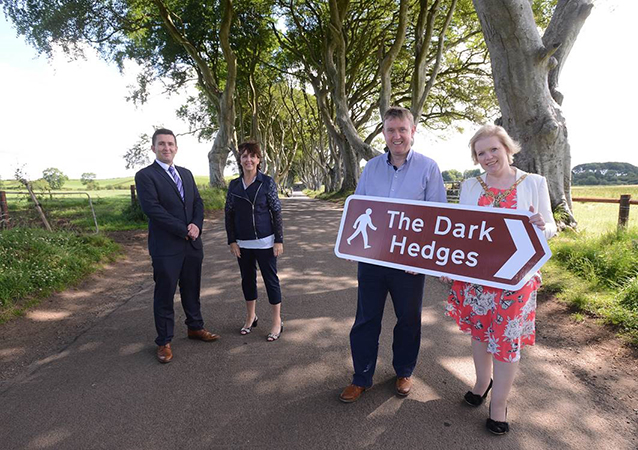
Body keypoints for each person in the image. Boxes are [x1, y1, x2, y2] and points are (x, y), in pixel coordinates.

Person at [444, 124, 557, 434]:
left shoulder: (533, 183)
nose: (488, 157)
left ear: (507, 148)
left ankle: (499, 404)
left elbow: (551, 227)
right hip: (476, 277)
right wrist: (447, 261)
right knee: (480, 334)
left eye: (493, 149)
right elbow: (460, 230)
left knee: (506, 341)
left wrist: (540, 225)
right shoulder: (470, 186)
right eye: (481, 153)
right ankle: (482, 383)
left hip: (515, 280)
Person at [339, 106, 447, 403]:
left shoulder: (428, 167)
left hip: (410, 262)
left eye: (402, 129)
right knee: (365, 319)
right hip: (372, 260)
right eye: (390, 130)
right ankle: (361, 377)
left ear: (413, 131)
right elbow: (358, 207)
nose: (396, 136)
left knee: (408, 319)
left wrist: (422, 258)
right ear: (384, 133)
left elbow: (438, 217)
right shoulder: (371, 167)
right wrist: (350, 244)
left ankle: (404, 371)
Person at [135, 128, 219, 364]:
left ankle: (195, 327)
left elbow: (198, 204)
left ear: (176, 148)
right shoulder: (145, 176)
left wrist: (196, 225)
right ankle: (164, 341)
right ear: (153, 148)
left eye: (170, 144)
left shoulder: (186, 173)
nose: (166, 148)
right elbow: (153, 210)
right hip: (166, 248)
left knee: (192, 289)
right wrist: (184, 229)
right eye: (161, 144)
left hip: (192, 245)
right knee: (165, 294)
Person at [225, 141, 285, 342]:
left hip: (266, 241)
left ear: (258, 160)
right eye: (244, 156)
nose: (248, 159)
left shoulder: (266, 182)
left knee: (270, 281)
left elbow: (276, 211)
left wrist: (279, 240)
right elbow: (229, 214)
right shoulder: (234, 185)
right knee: (247, 280)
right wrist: (232, 241)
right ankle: (251, 316)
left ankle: (277, 321)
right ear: (240, 160)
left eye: (252, 156)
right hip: (243, 243)